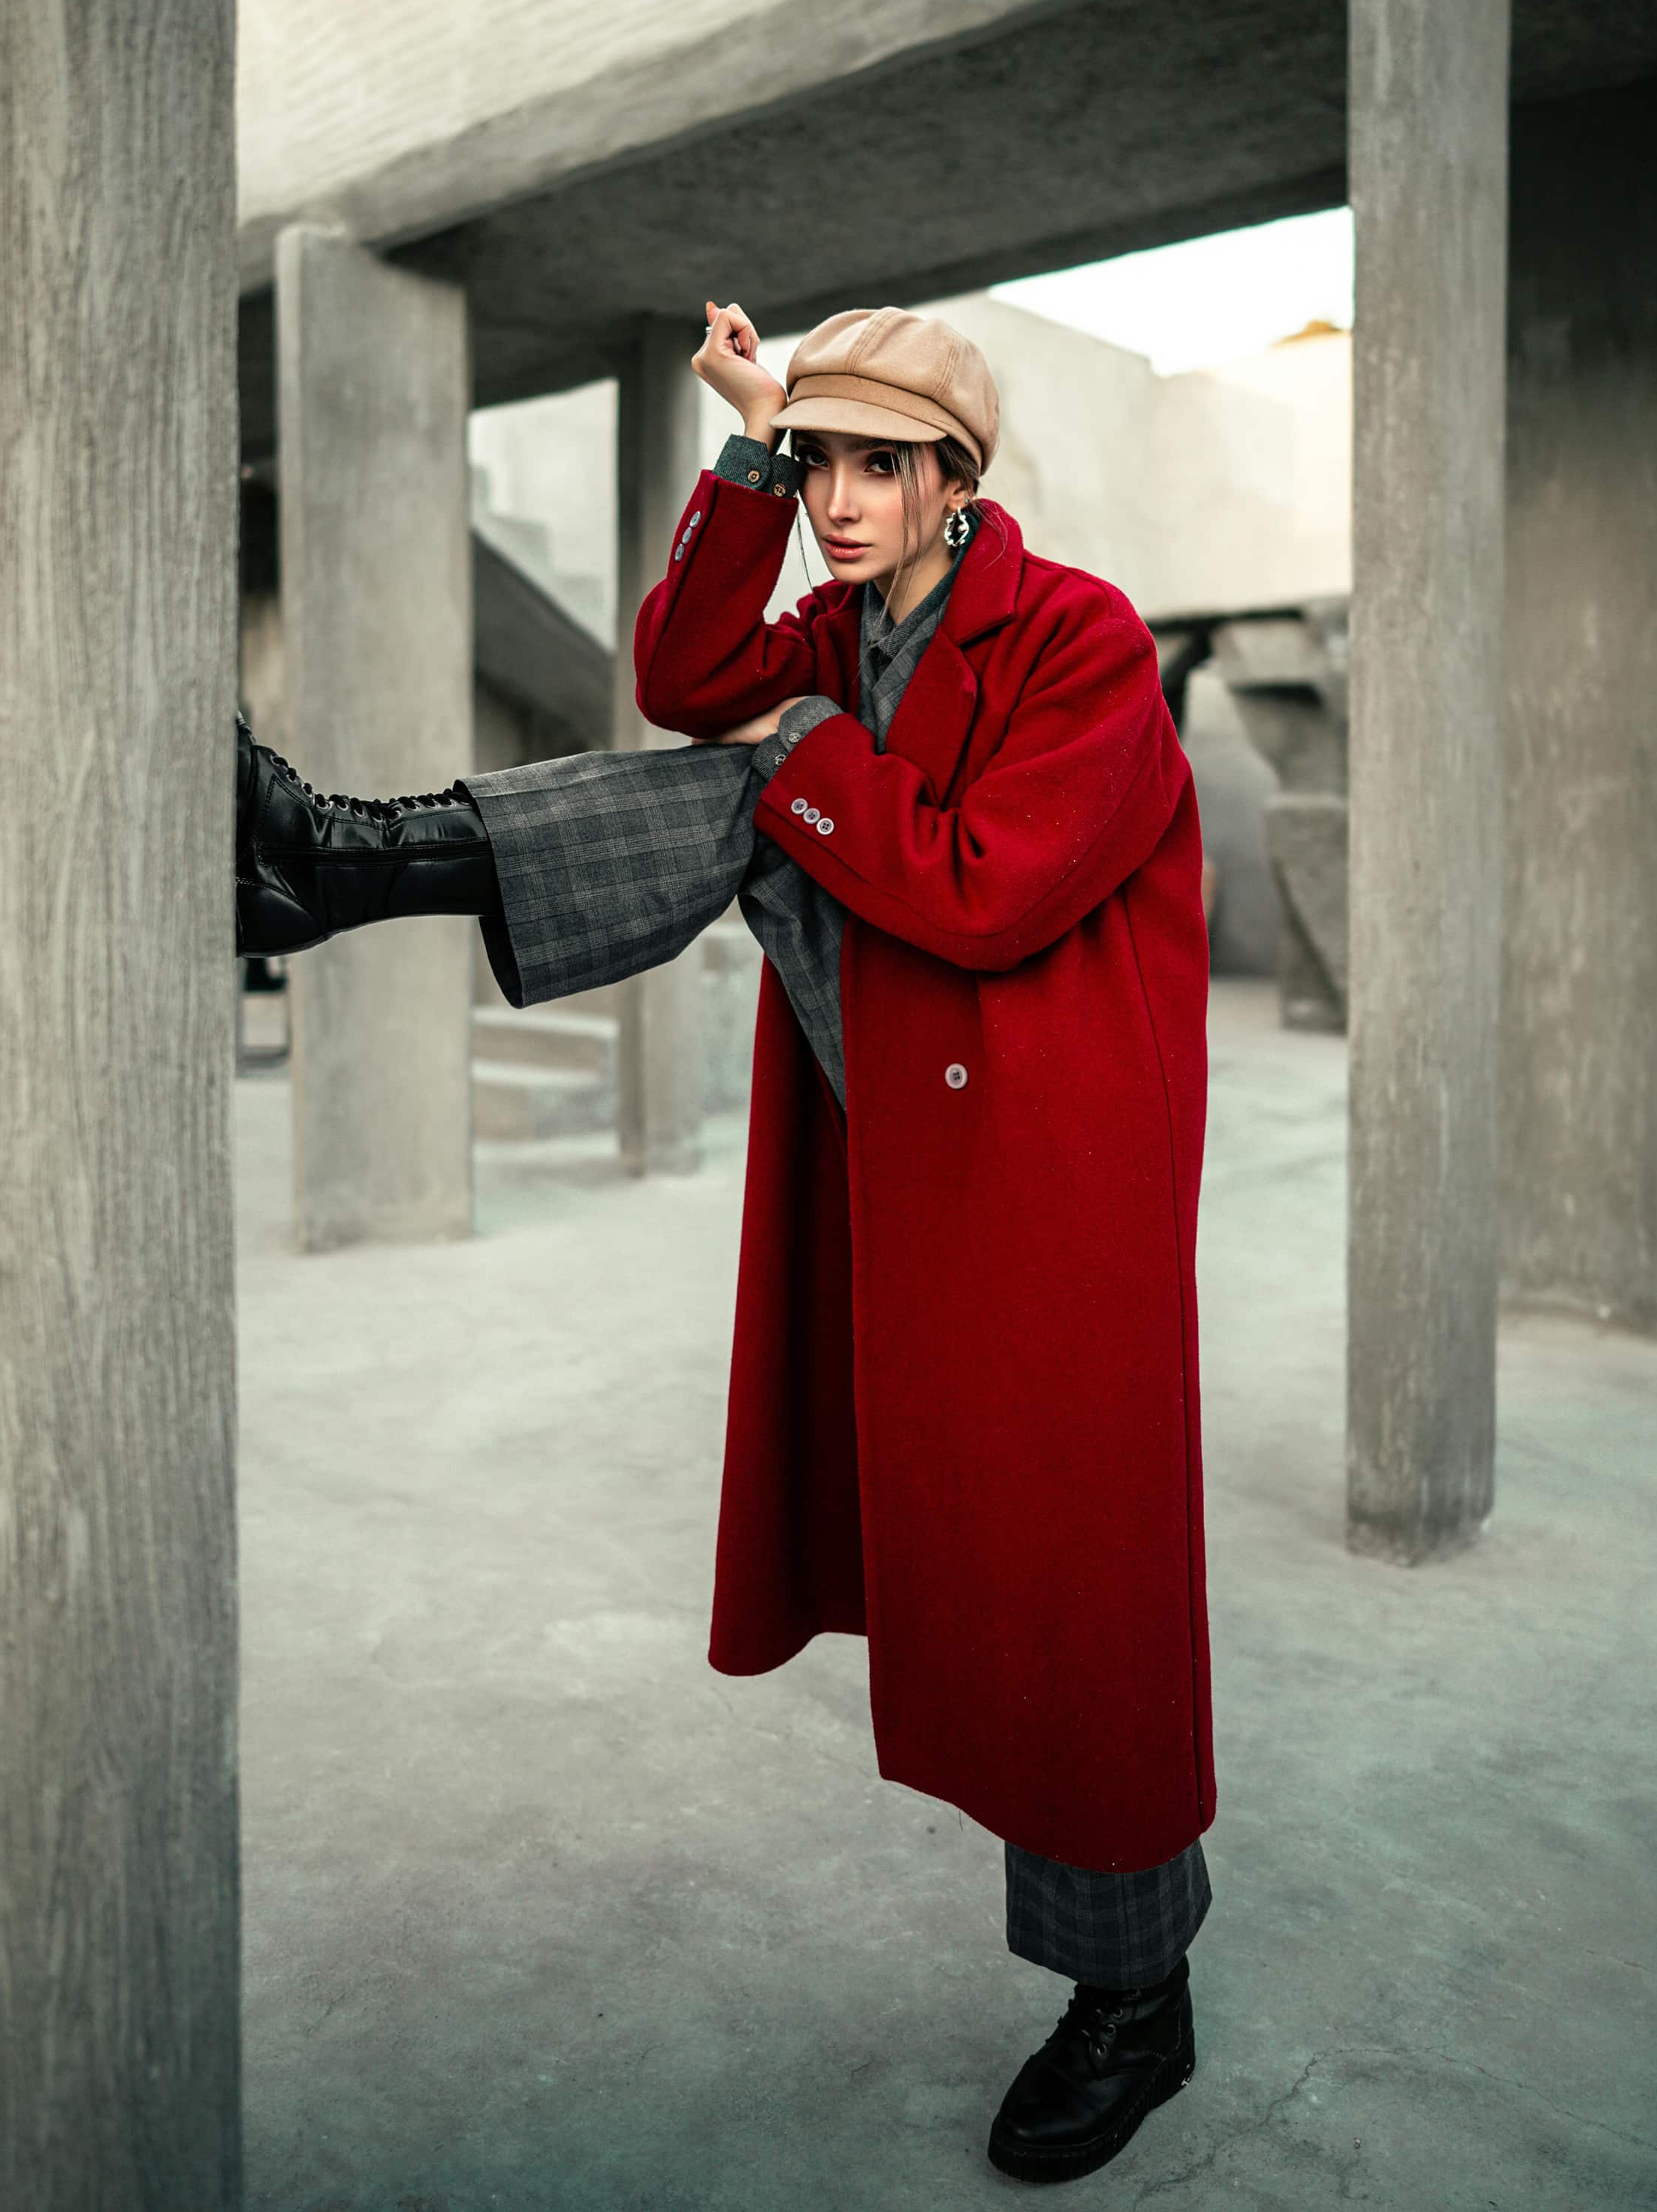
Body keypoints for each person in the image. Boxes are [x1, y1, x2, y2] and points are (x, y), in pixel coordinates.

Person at [236, 300, 1216, 2188]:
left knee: (1072, 1597)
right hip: (896, 1106)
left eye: (871, 466)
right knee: (744, 765)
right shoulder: (848, 623)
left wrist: (805, 766)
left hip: (1038, 1158)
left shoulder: (1077, 636)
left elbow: (995, 893)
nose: (839, 502)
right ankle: (338, 858)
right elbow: (688, 675)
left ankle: (1137, 1996)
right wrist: (751, 454)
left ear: (955, 482)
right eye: (819, 464)